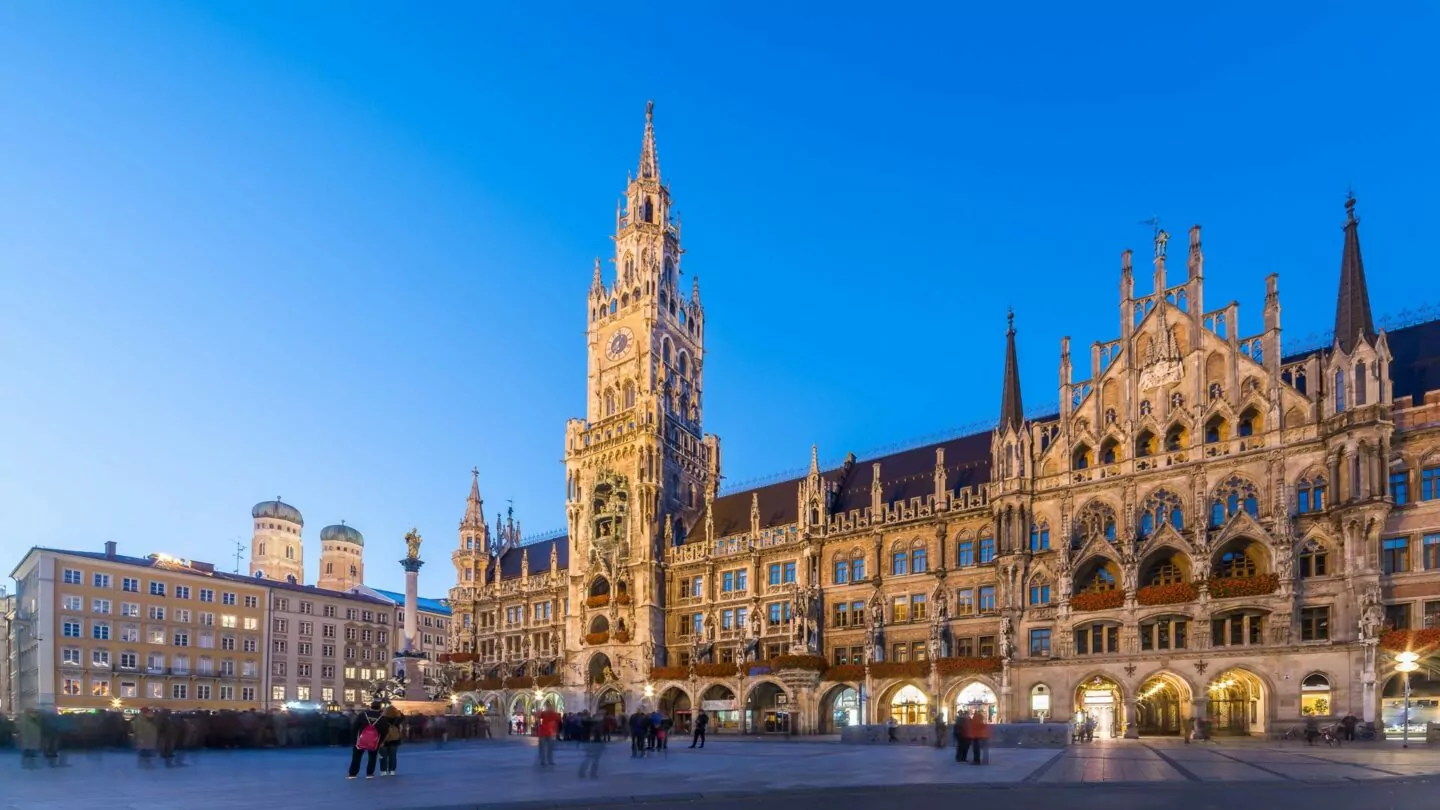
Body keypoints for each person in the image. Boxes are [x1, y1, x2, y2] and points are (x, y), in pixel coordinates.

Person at [347, 702, 387, 780]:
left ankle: (353, 774)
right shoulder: (381, 718)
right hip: (374, 741)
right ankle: (369, 773)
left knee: (356, 757)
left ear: (370, 707)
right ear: (380, 708)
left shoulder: (363, 715)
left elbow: (354, 727)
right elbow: (384, 731)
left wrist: (355, 740)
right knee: (372, 757)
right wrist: (380, 741)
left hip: (361, 739)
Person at [578, 713, 604, 780]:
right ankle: (592, 773)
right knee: (594, 759)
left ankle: (583, 772)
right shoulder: (593, 727)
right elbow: (593, 736)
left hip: (589, 743)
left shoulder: (586, 726)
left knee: (588, 758)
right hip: (594, 744)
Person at [379, 705, 404, 776]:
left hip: (383, 739)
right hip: (394, 740)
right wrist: (397, 711)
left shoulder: (382, 719)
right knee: (392, 756)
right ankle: (392, 770)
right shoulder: (397, 720)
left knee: (383, 756)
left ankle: (383, 770)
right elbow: (402, 716)